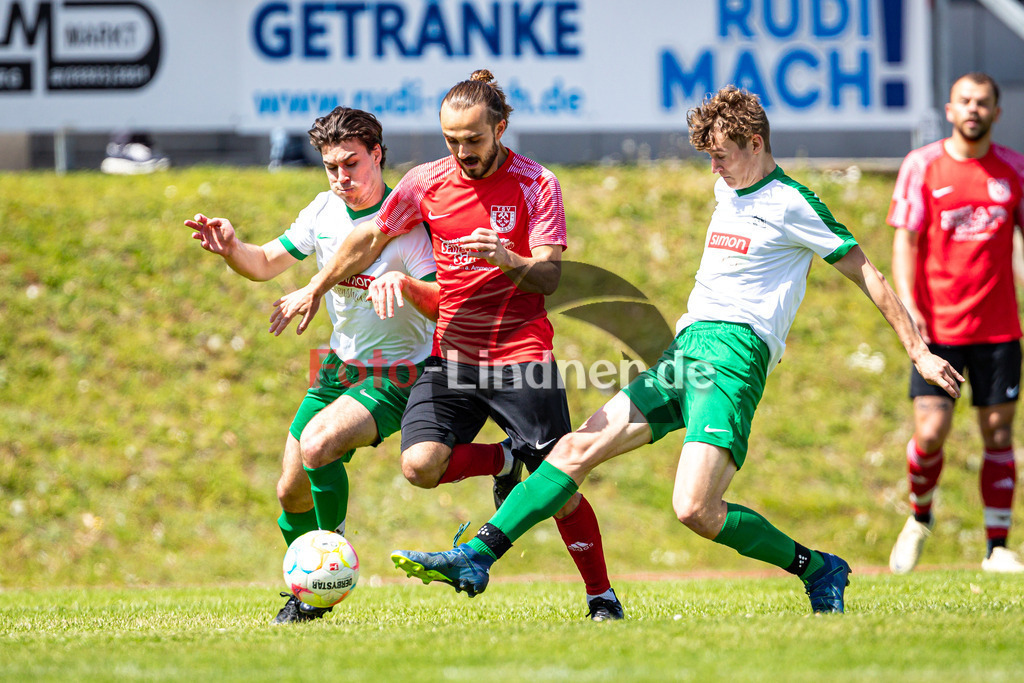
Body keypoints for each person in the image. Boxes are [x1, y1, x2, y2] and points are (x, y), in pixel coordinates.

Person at [390, 85, 963, 615]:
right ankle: (476, 556)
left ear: (756, 143)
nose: (713, 168)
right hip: (686, 348)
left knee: (695, 509)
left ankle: (817, 568)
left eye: (721, 155)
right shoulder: (728, 185)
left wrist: (919, 351)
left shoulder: (793, 202)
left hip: (734, 357)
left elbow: (868, 274)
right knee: (573, 449)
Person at [269, 69, 624, 622]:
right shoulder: (425, 182)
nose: (462, 152)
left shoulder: (537, 183)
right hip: (451, 356)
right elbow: (371, 235)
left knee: (559, 484)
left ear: (500, 128)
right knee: (419, 466)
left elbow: (550, 276)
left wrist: (506, 258)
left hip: (520, 354)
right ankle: (505, 458)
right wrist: (316, 286)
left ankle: (601, 595)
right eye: (452, 140)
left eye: (473, 140)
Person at [185, 106, 439, 623]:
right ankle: (309, 593)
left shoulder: (406, 225)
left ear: (377, 155)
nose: (341, 177)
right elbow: (264, 263)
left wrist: (405, 285)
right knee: (290, 489)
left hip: (400, 373)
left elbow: (443, 302)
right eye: (331, 166)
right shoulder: (323, 211)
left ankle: (330, 566)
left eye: (352, 163)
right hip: (339, 368)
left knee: (319, 444)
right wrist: (231, 248)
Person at [886, 72, 1024, 574]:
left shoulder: (1014, 169)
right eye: (964, 101)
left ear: (996, 113)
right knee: (930, 431)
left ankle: (996, 548)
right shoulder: (922, 165)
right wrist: (909, 303)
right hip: (938, 330)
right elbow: (906, 242)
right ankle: (919, 517)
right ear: (949, 110)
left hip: (999, 329)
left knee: (998, 433)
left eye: (982, 103)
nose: (973, 109)